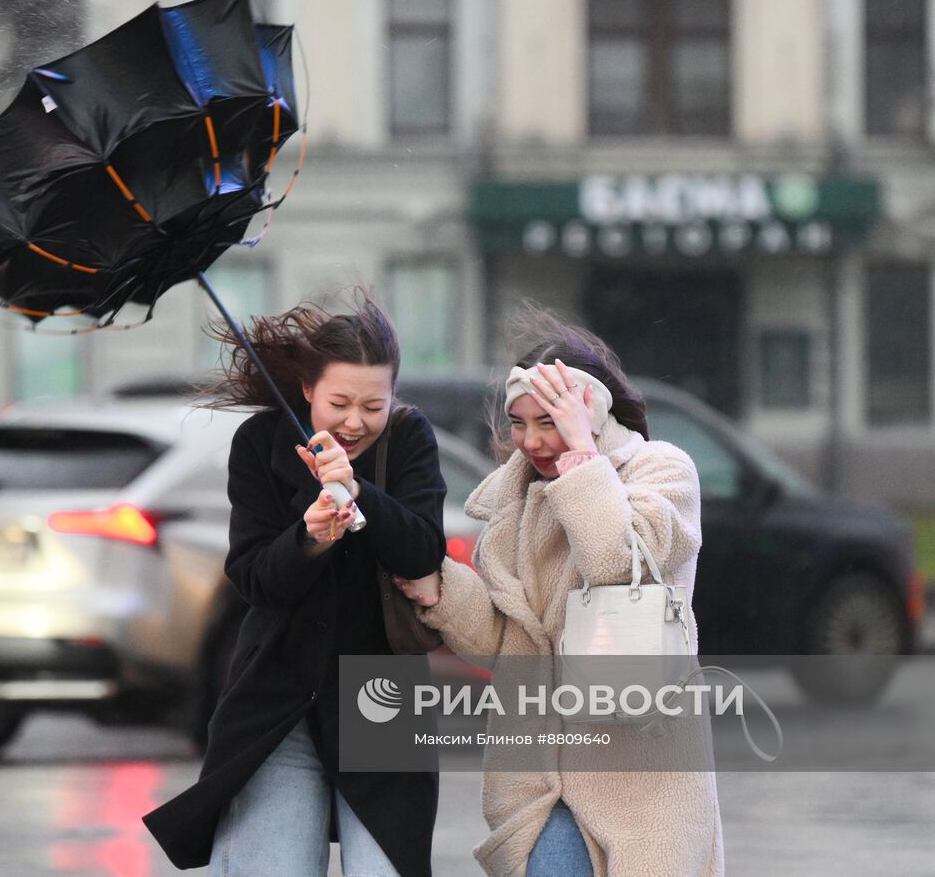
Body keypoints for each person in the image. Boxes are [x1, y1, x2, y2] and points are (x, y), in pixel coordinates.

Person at [394, 306, 725, 877]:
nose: (531, 442)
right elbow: (509, 642)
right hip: (541, 786)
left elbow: (615, 563)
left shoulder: (662, 471)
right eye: (519, 424)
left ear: (591, 410)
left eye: (548, 421)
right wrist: (438, 588)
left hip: (642, 781)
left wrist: (581, 458)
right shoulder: (515, 503)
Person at [143, 291, 447, 877]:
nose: (355, 421)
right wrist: (306, 538)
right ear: (308, 390)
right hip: (278, 692)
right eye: (338, 402)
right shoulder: (260, 444)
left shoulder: (409, 439)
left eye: (373, 406)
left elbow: (422, 549)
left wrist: (360, 491)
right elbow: (255, 579)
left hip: (383, 693)